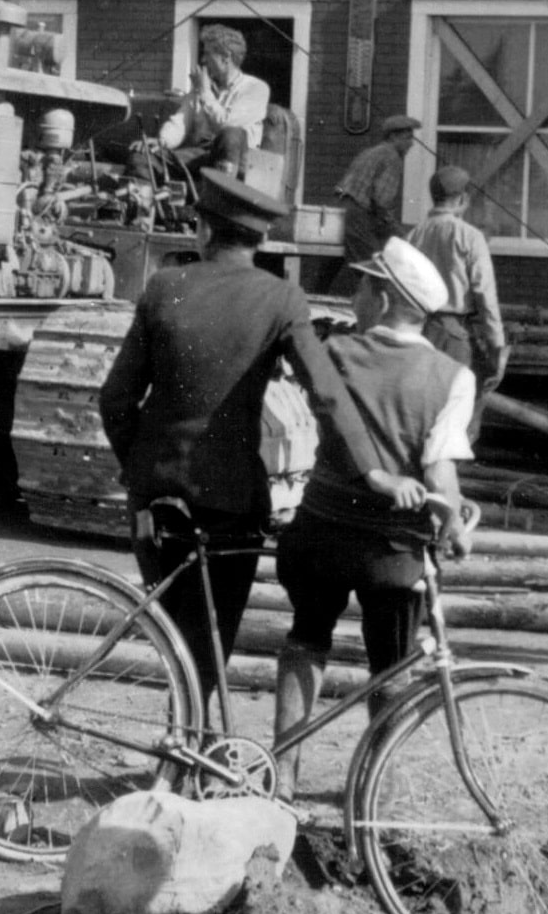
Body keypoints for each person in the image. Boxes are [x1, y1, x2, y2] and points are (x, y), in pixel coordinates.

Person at [98, 169, 424, 708]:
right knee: (209, 641)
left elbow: (115, 399)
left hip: (154, 496)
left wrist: (136, 467)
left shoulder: (164, 287)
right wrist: (374, 471)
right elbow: (327, 395)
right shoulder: (281, 300)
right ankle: (190, 752)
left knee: (173, 632)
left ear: (203, 230)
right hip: (228, 500)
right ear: (263, 239)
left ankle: (186, 747)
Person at [272, 236, 476, 791]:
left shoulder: (334, 352)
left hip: (320, 533)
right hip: (392, 551)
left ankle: (283, 773)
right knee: (392, 665)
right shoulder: (451, 377)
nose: (354, 294)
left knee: (305, 639)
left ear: (384, 299)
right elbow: (438, 473)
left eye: (363, 285)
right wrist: (453, 521)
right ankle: (370, 789)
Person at [409, 164, 509, 438]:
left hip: (418, 329)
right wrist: (496, 345)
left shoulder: (413, 235)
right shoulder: (470, 237)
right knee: (456, 416)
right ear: (463, 199)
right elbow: (486, 296)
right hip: (454, 336)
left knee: (420, 414)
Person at [158, 24, 270, 179]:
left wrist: (204, 92)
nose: (203, 60)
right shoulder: (202, 89)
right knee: (145, 159)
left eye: (207, 54)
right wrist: (161, 142)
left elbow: (225, 124)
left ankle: (222, 197)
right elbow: (180, 122)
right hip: (202, 156)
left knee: (231, 133)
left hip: (237, 159)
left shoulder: (255, 88)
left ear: (226, 58)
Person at [334, 115, 420, 279]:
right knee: (375, 270)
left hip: (344, 210)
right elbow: (381, 201)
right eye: (408, 138)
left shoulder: (371, 152)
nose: (412, 144)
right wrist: (399, 233)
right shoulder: (392, 157)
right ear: (393, 136)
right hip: (359, 215)